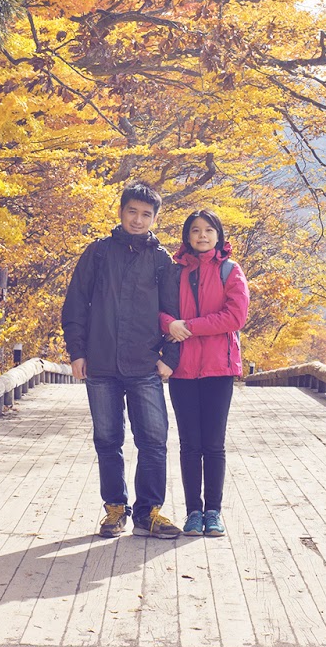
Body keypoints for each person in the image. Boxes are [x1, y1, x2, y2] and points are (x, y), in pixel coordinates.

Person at [61, 183, 184, 539]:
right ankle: (115, 509)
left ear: (156, 218)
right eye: (133, 211)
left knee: (154, 440)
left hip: (144, 365)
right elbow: (75, 306)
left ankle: (149, 512)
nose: (138, 219)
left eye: (147, 214)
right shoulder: (98, 253)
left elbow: (174, 315)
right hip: (100, 363)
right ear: (121, 211)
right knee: (107, 440)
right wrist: (77, 352)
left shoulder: (161, 260)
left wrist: (170, 358)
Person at [161, 208, 250, 538]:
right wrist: (170, 324)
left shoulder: (230, 270)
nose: (202, 235)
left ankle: (213, 511)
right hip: (182, 369)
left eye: (208, 230)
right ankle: (192, 512)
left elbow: (235, 317)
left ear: (219, 235)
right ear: (187, 236)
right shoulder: (175, 273)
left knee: (213, 443)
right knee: (189, 444)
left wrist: (190, 327)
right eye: (195, 230)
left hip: (218, 368)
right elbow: (159, 311)